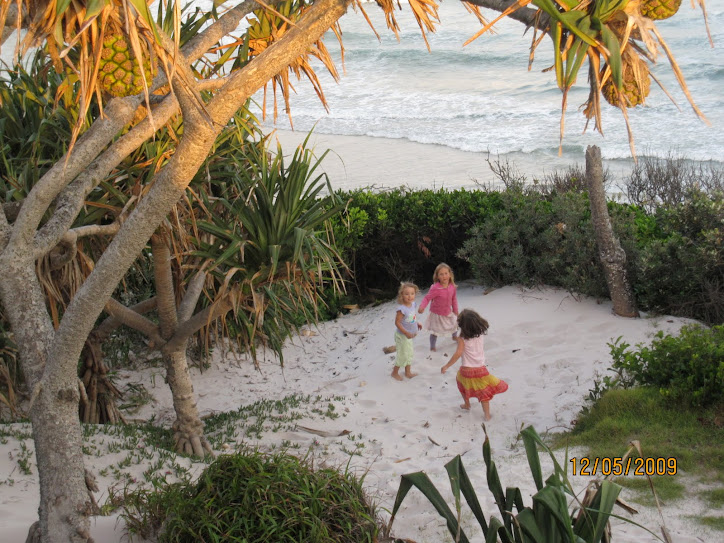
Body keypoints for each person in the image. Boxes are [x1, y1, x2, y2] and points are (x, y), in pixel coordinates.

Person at [440, 309, 508, 420]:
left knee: (461, 383)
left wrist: (447, 366)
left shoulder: (462, 339)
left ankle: (467, 404)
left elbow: (458, 353)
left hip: (466, 371)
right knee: (483, 393)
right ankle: (487, 415)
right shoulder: (480, 334)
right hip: (481, 370)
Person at [418, 263, 458, 352]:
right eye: (441, 274)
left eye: (446, 273)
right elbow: (427, 298)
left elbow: (454, 299)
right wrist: (422, 306)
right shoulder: (435, 288)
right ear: (437, 276)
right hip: (437, 314)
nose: (444, 276)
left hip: (448, 312)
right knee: (435, 331)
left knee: (455, 323)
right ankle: (432, 346)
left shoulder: (452, 286)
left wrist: (455, 310)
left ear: (450, 274)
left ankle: (455, 337)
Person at [392, 282, 423, 381]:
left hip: (410, 336)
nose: (410, 296)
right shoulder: (401, 309)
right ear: (402, 295)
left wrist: (417, 323)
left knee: (409, 354)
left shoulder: (413, 304)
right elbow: (397, 323)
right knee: (403, 355)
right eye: (407, 294)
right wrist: (406, 333)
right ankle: (394, 372)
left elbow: (411, 316)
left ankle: (408, 372)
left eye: (412, 293)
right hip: (402, 336)